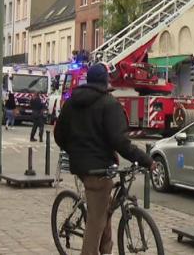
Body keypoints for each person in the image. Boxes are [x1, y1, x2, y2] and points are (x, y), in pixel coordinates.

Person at [54, 63, 153, 255]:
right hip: (99, 170)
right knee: (96, 222)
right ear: (105, 81)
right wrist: (146, 160)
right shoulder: (109, 104)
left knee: (102, 210)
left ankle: (105, 250)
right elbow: (120, 142)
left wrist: (75, 151)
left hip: (82, 167)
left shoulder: (72, 102)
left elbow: (59, 134)